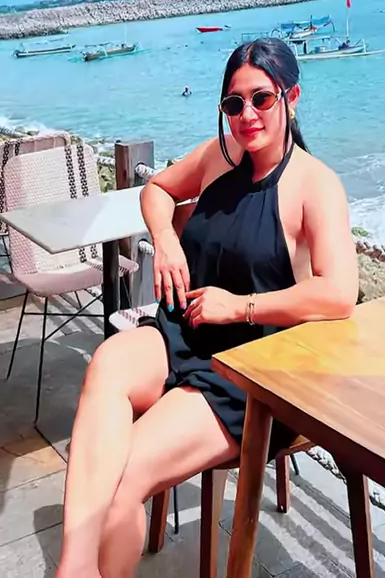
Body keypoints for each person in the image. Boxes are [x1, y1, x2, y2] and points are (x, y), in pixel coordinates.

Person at [55, 37, 358, 578]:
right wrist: (166, 241)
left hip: (248, 369)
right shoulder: (221, 156)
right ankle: (74, 568)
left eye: (261, 99)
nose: (247, 115)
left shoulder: (315, 185)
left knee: (120, 478)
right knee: (106, 364)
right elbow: (156, 189)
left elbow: (339, 294)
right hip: (185, 332)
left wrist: (240, 306)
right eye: (234, 103)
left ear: (291, 98)